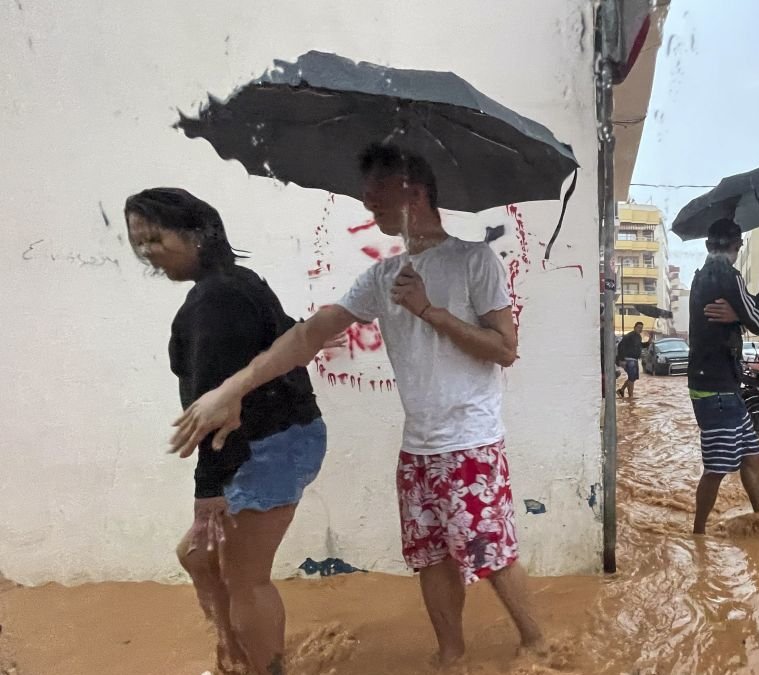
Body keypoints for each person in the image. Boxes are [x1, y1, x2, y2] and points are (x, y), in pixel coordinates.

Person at [169, 143, 543, 666]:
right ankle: (451, 654)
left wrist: (429, 310)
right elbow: (309, 336)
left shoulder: (473, 260)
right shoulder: (381, 277)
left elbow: (505, 349)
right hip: (418, 448)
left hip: (472, 442)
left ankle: (537, 643)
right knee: (431, 558)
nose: (367, 202)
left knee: (490, 553)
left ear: (413, 190)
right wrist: (231, 389)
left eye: (376, 191)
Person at [125, 188, 326, 675]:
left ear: (198, 234)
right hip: (278, 439)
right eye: (137, 242)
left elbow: (216, 413)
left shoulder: (217, 300)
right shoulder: (235, 283)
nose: (147, 252)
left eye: (155, 238)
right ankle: (235, 652)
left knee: (245, 578)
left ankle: (263, 666)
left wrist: (208, 490)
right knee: (197, 557)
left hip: (266, 446)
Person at [687, 218, 759, 535]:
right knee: (716, 469)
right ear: (737, 247)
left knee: (752, 456)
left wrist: (738, 316)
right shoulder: (729, 275)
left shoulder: (701, 278)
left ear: (707, 245)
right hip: (718, 390)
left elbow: (739, 319)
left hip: (719, 386)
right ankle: (697, 535)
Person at [616, 322, 645, 398]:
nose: (640, 329)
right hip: (629, 360)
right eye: (638, 327)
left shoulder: (638, 337)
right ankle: (631, 397)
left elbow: (640, 345)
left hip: (634, 360)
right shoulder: (629, 336)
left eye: (641, 328)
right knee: (632, 378)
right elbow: (620, 346)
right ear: (634, 327)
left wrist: (648, 342)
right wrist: (622, 359)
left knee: (632, 378)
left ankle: (621, 390)